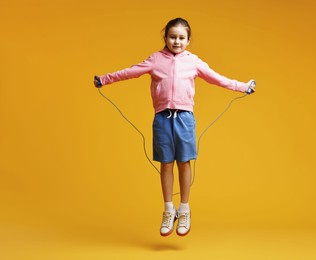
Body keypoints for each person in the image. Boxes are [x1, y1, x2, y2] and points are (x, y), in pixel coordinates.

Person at [94, 17, 256, 237]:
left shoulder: (194, 61)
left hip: (185, 118)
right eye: (172, 37)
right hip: (162, 119)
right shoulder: (155, 60)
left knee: (184, 162)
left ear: (188, 40)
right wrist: (105, 79)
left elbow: (218, 78)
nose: (176, 41)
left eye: (181, 38)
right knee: (166, 163)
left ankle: (185, 209)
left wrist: (243, 86)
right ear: (166, 38)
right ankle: (169, 210)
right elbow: (130, 71)